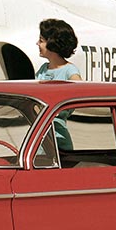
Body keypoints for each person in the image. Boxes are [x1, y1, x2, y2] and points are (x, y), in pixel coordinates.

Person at [36, 18, 82, 151]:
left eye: (41, 40)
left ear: (52, 44)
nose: (37, 43)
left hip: (58, 139)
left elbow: (81, 90)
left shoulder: (70, 70)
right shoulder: (43, 70)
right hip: (40, 137)